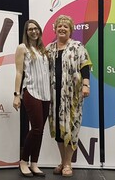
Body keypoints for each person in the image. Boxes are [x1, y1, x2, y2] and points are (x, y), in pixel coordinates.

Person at [46, 15, 92, 177]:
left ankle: (68, 164)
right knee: (59, 131)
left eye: (66, 26)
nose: (62, 28)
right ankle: (63, 161)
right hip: (54, 96)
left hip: (72, 96)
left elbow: (85, 66)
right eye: (60, 26)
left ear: (70, 30)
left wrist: (86, 85)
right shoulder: (49, 48)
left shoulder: (77, 46)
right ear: (55, 29)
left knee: (71, 129)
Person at [13, 19, 50, 177]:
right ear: (26, 32)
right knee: (35, 129)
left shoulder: (43, 49)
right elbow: (19, 72)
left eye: (36, 29)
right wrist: (16, 95)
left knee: (40, 131)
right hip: (31, 91)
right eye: (30, 29)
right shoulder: (23, 48)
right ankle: (23, 161)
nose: (34, 31)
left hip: (46, 94)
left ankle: (34, 163)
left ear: (40, 31)